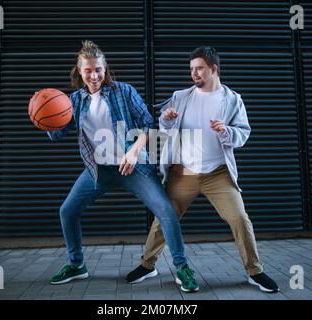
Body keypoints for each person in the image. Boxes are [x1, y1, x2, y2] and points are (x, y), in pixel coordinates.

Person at [46, 40, 199, 293]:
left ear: (105, 69)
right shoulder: (73, 101)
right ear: (79, 71)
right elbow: (57, 134)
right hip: (98, 170)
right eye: (88, 70)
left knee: (165, 209)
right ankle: (76, 265)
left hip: (133, 167)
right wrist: (43, 119)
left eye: (98, 69)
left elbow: (148, 124)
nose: (94, 75)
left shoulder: (123, 91)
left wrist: (133, 151)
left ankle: (182, 267)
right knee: (67, 211)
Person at [126, 46, 279, 293]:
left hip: (217, 173)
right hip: (183, 173)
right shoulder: (181, 96)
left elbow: (243, 133)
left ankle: (255, 271)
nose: (194, 74)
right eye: (192, 69)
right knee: (164, 218)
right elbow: (165, 132)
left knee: (240, 219)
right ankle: (148, 264)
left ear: (214, 69)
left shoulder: (232, 99)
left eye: (199, 69)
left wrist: (227, 131)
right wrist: (166, 120)